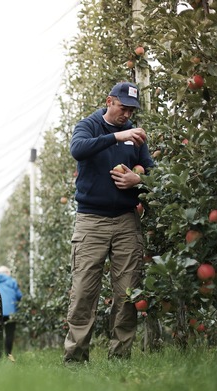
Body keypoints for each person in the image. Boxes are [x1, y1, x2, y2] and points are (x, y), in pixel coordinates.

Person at [63, 81, 154, 363]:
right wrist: (117, 137)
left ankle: (120, 358)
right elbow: (78, 149)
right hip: (91, 220)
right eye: (123, 107)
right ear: (109, 101)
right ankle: (76, 358)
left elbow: (151, 170)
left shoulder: (137, 137)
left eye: (131, 110)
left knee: (127, 291)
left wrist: (138, 179)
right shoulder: (89, 125)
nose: (127, 114)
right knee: (83, 291)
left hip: (126, 220)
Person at [0, 265, 22, 362]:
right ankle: (8, 354)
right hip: (11, 312)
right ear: (7, 273)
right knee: (9, 334)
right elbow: (19, 296)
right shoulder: (12, 282)